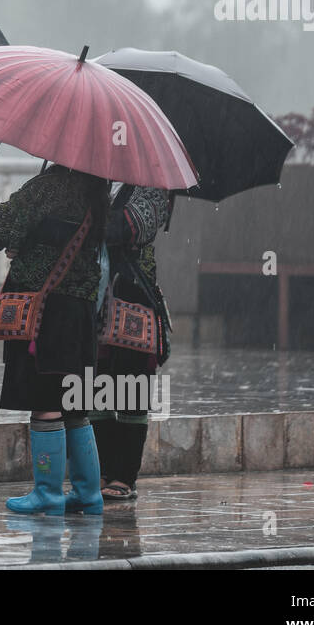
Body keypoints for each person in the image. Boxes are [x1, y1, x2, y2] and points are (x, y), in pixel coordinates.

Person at [0, 162, 109, 515]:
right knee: (75, 405)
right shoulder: (98, 193)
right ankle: (88, 494)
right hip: (81, 313)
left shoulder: (45, 188)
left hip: (45, 313)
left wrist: (13, 211)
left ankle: (48, 493)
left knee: (46, 401)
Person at [91, 183, 173, 500]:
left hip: (134, 305)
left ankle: (125, 476)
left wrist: (88, 214)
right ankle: (102, 470)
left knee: (130, 393)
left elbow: (125, 228)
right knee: (95, 392)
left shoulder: (153, 192)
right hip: (99, 306)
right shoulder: (105, 186)